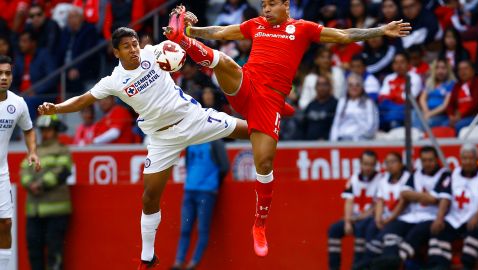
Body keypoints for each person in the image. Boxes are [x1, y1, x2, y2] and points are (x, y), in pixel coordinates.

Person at [165, 2, 411, 256]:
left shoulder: (302, 28)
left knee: (264, 163)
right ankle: (182, 39)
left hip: (270, 100)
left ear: (286, 5)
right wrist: (194, 31)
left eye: (272, 4)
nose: (267, 9)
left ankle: (259, 224)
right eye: (263, 5)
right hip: (246, 84)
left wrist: (381, 30)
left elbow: (344, 35)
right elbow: (222, 32)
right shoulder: (256, 25)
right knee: (224, 62)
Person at [37, 27, 249, 269]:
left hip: (192, 119)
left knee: (252, 131)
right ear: (116, 52)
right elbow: (83, 100)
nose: (133, 49)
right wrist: (56, 108)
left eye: (135, 43)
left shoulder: (153, 53)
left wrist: (179, 28)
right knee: (149, 197)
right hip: (161, 139)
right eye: (126, 46)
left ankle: (270, 118)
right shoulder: (113, 81)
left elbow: (178, 43)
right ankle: (148, 257)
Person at [371, 146, 451, 269]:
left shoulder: (444, 174)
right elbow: (405, 194)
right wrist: (426, 197)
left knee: (416, 233)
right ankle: (387, 260)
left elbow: (436, 199)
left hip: (431, 216)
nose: (427, 163)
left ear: (436, 160)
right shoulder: (416, 173)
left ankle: (396, 260)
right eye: (424, 160)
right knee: (392, 229)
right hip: (413, 215)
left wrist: (417, 196)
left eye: (430, 160)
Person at [0, 55, 40, 270]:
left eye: (7, 73)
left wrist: (32, 151)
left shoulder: (18, 103)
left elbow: (28, 130)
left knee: (6, 224)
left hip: (1, 175)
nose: (3, 77)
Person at [20, 114, 72, 270]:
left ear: (56, 130)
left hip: (56, 211)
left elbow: (62, 171)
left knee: (54, 251)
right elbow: (23, 172)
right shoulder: (33, 151)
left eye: (48, 129)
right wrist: (29, 183)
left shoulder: (62, 150)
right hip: (34, 211)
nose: (44, 133)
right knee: (34, 251)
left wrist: (39, 184)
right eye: (42, 130)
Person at [171, 139, 230, 270]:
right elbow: (188, 163)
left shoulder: (215, 142)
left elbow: (225, 166)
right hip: (191, 190)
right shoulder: (192, 140)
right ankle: (179, 263)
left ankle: (192, 263)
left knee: (200, 230)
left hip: (206, 192)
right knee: (186, 229)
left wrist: (213, 182)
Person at [426, 144, 478, 270]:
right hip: (455, 217)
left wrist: (477, 216)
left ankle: (466, 264)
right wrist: (439, 218)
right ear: (460, 159)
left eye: (471, 158)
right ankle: (439, 264)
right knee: (438, 229)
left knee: (476, 229)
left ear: (476, 158)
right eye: (464, 158)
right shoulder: (452, 174)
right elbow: (445, 197)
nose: (467, 162)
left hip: (474, 217)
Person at [328, 150, 382, 270]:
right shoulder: (354, 178)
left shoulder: (380, 179)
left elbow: (377, 206)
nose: (368, 167)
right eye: (365, 164)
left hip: (369, 219)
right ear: (360, 163)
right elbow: (349, 201)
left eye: (371, 164)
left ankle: (356, 267)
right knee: (334, 230)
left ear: (375, 164)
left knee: (360, 228)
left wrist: (358, 218)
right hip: (354, 218)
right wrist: (347, 221)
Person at [378, 52, 423, 131]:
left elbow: (407, 99)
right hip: (392, 110)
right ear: (392, 65)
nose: (399, 65)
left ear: (408, 64)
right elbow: (382, 98)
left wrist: (391, 96)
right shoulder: (389, 78)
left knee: (393, 118)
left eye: (402, 62)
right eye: (396, 63)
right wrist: (397, 95)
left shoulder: (415, 78)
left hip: (409, 111)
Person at [329, 73, 379, 141]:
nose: (354, 88)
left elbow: (372, 127)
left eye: (357, 85)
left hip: (361, 140)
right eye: (350, 85)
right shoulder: (342, 102)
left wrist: (356, 136)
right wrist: (333, 142)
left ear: (362, 87)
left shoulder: (369, 103)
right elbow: (336, 124)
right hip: (342, 140)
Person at [413, 59, 456, 130]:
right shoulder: (429, 82)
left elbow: (445, 105)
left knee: (428, 122)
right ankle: (416, 135)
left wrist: (430, 114)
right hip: (427, 111)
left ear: (448, 70)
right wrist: (426, 111)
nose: (440, 71)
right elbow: (422, 99)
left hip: (441, 114)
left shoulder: (451, 84)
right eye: (437, 68)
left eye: (443, 68)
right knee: (413, 113)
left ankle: (420, 137)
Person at [445, 60, 478, 134]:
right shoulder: (457, 85)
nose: (462, 71)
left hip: (474, 116)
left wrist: (460, 116)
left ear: (473, 71)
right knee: (443, 124)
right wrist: (451, 115)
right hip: (458, 117)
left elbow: (476, 104)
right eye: (460, 69)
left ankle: (459, 145)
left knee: (458, 125)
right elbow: (450, 104)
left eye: (465, 68)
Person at [300, 75, 337, 140]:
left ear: (330, 87)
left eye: (324, 84)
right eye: (319, 85)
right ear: (315, 87)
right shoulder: (311, 105)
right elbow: (303, 126)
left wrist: (325, 138)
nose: (321, 87)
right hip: (308, 145)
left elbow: (336, 126)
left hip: (327, 145)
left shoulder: (335, 104)